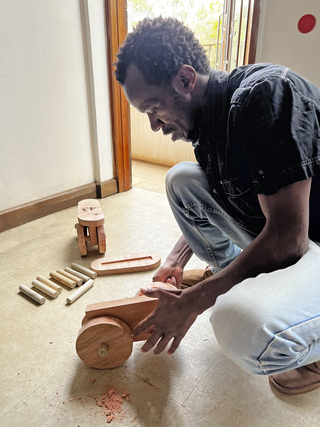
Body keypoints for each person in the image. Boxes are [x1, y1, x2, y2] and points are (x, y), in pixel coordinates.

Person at [114, 16, 320, 396]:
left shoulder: (267, 97)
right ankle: (229, 275)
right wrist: (176, 261)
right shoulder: (208, 122)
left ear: (185, 79)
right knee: (181, 180)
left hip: (308, 239)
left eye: (154, 108)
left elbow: (290, 239)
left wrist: (194, 302)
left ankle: (312, 349)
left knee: (241, 329)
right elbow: (226, 193)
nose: (155, 125)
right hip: (292, 234)